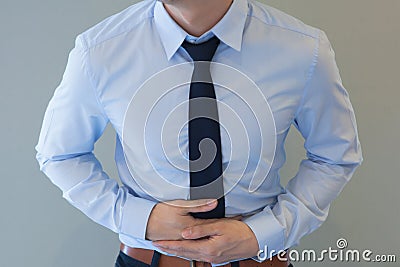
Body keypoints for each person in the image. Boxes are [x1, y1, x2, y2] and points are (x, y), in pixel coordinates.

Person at [35, 0, 362, 266]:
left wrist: (264, 233)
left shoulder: (303, 48)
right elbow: (59, 154)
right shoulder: (99, 51)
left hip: (258, 260)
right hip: (149, 259)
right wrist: (140, 219)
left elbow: (335, 155)